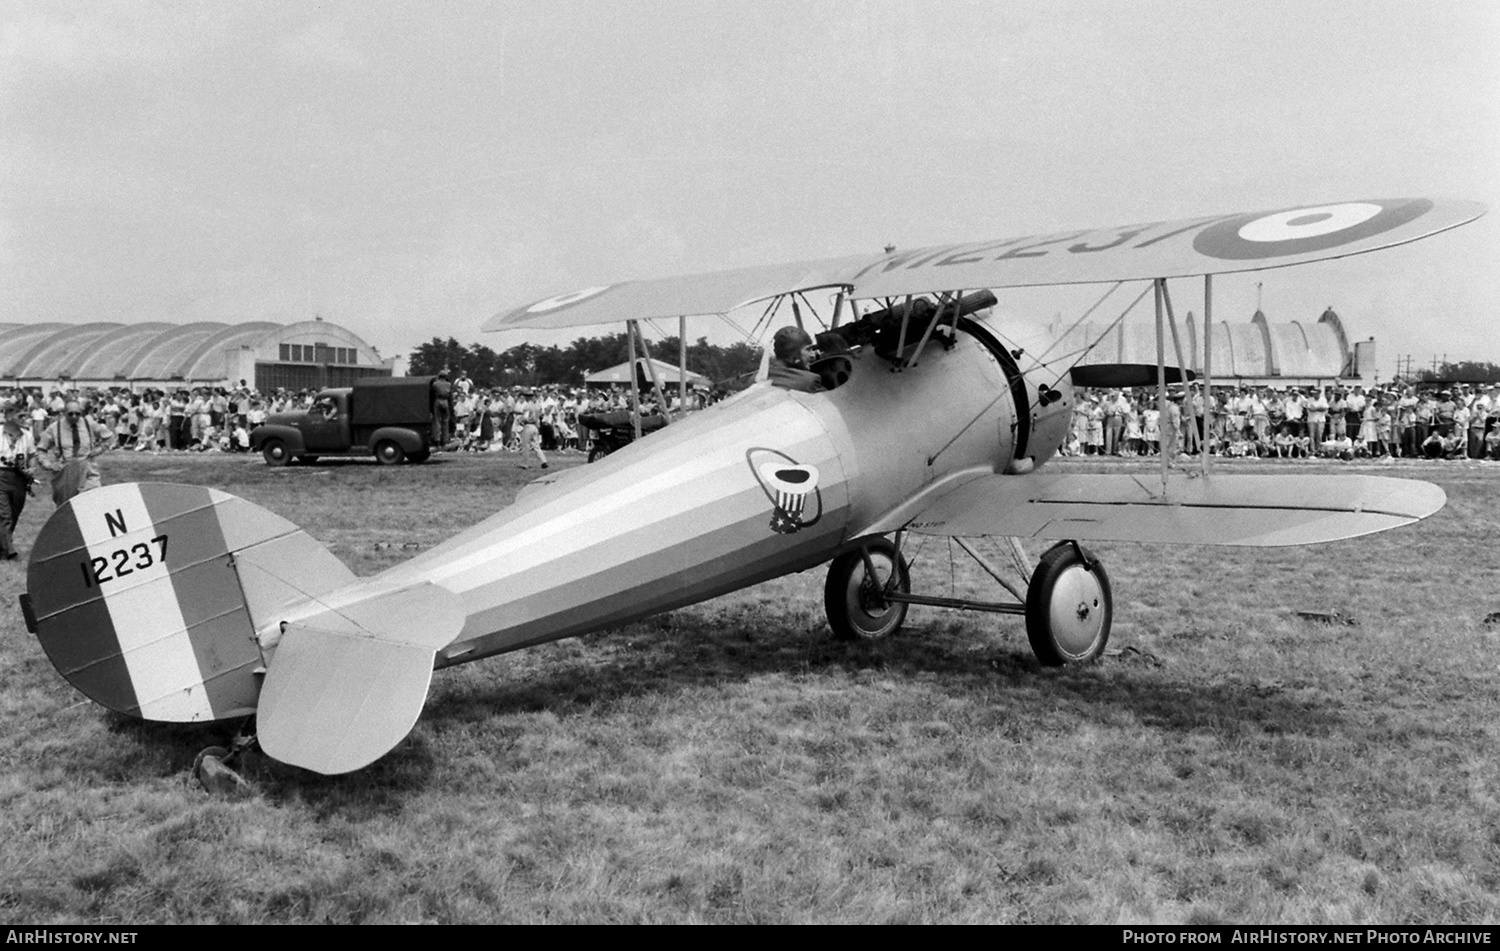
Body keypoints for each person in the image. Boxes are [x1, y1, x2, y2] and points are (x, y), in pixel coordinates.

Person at [36, 400, 114, 505]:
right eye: (70, 414)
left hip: (88, 469)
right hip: (65, 470)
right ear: (64, 413)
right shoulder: (54, 428)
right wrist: (48, 465)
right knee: (67, 507)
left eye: (77, 414)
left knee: (93, 502)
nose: (74, 416)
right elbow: (41, 449)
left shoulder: (89, 424)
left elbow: (109, 436)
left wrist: (99, 449)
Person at [1, 400, 37, 561]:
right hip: (1, 475)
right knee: (4, 515)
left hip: (20, 479)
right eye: (20, 415)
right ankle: (10, 550)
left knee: (15, 513)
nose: (24, 418)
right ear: (8, 416)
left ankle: (3, 545)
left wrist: (32, 469)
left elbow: (32, 456)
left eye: (25, 415)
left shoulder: (27, 435)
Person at [768, 326, 824, 393]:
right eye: (808, 349)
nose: (813, 355)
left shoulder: (754, 378)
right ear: (793, 353)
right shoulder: (809, 381)